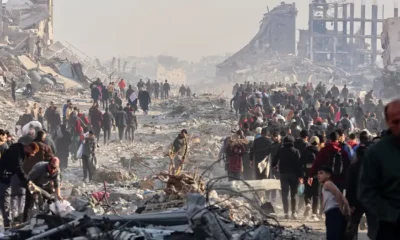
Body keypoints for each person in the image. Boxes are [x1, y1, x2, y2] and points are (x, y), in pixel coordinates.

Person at [359, 99, 400, 239]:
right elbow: (366, 192)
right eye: (396, 122)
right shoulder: (377, 153)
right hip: (391, 228)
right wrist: (393, 215)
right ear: (388, 122)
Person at [0, 142, 39, 227]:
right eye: (32, 153)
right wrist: (27, 181)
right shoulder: (17, 152)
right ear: (28, 148)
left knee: (5, 200)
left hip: (7, 176)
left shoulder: (19, 151)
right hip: (4, 177)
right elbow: (18, 167)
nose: (32, 155)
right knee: (4, 200)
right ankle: (7, 224)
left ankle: (8, 222)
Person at [346, 145, 377, 240]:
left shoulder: (353, 166)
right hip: (371, 201)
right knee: (374, 226)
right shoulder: (374, 167)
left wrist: (349, 203)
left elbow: (350, 185)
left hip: (356, 201)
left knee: (353, 226)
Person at [24, 157, 63, 222]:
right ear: (49, 164)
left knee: (49, 198)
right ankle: (25, 220)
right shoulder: (39, 168)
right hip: (32, 184)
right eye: (52, 167)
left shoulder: (57, 170)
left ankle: (45, 215)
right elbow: (29, 180)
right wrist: (33, 190)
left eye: (55, 168)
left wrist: (59, 195)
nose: (53, 170)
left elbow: (57, 183)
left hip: (43, 184)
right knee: (30, 202)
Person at [272, 135, 302, 219]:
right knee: (293, 194)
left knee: (285, 194)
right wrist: (300, 176)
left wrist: (274, 166)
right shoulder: (296, 151)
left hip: (283, 174)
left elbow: (274, 160)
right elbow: (299, 164)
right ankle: (293, 212)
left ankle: (286, 213)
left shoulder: (281, 150)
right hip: (294, 175)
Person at [317, 166, 350, 240]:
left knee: (332, 236)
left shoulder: (327, 183)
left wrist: (342, 209)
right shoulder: (328, 184)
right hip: (332, 213)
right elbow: (341, 196)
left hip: (333, 212)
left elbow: (338, 194)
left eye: (321, 173)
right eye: (318, 173)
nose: (318, 175)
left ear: (328, 175)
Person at [301, 136, 320, 220]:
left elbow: (300, 162)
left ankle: (308, 203)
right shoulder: (319, 151)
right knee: (316, 194)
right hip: (317, 176)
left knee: (307, 192)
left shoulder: (305, 151)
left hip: (307, 175)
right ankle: (314, 214)